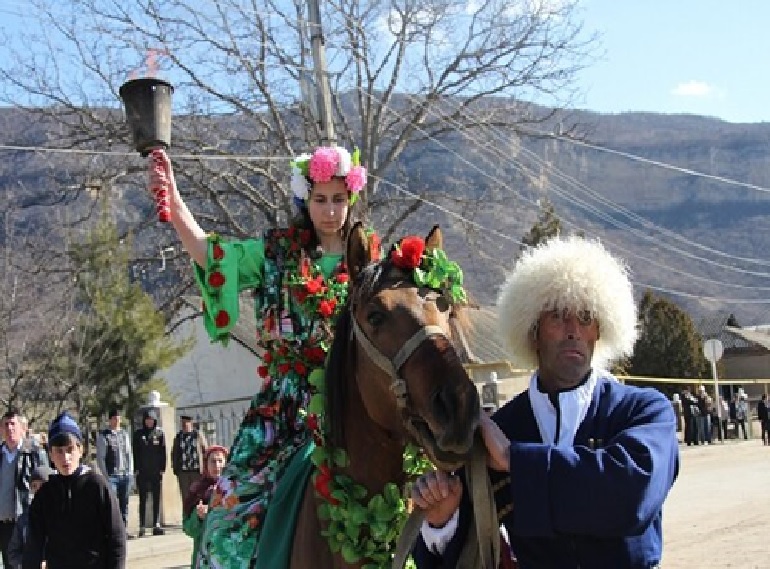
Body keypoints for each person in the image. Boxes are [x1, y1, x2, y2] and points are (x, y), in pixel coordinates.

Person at [148, 144, 373, 566]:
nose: (329, 210)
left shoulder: (371, 260)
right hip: (280, 414)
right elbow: (213, 256)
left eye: (338, 200)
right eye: (320, 199)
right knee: (221, 529)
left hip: (350, 405)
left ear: (352, 200)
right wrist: (176, 204)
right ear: (305, 200)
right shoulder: (276, 254)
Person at [411, 236, 680, 569]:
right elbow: (467, 553)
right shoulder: (502, 428)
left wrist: (515, 460)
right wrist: (443, 521)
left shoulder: (643, 411)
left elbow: (631, 497)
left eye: (585, 317)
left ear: (599, 331)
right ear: (532, 331)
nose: (573, 331)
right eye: (557, 316)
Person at [22, 411, 126, 569]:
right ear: (50, 454)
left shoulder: (97, 485)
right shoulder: (45, 495)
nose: (66, 458)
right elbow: (33, 545)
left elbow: (116, 536)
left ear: (80, 450)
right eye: (59, 451)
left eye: (70, 450)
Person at [0, 409, 49, 569]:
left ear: (23, 428)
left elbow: (46, 484)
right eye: (5, 425)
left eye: (13, 424)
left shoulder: (34, 453)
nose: (9, 429)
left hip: (24, 521)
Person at [182, 445, 229, 568]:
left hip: (228, 555)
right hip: (204, 558)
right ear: (206, 464)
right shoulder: (197, 491)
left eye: (220, 461)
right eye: (213, 461)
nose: (217, 466)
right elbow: (188, 528)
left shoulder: (235, 489)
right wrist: (198, 517)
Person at [96, 409, 134, 535]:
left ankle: (124, 529)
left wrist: (130, 471)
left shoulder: (124, 434)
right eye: (114, 419)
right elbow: (101, 457)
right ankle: (113, 530)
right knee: (112, 504)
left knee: (125, 504)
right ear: (110, 420)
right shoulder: (104, 436)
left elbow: (129, 454)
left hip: (125, 475)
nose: (117, 421)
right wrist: (106, 475)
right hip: (112, 476)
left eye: (118, 418)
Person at [7, 464, 53, 568]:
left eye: (42, 485)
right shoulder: (24, 518)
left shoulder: (62, 515)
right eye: (34, 486)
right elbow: (13, 553)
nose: (38, 490)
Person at [132, 409, 167, 537]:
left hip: (155, 471)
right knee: (143, 498)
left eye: (151, 420)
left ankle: (156, 524)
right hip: (142, 471)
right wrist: (135, 469)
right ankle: (142, 525)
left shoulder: (159, 433)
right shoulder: (138, 434)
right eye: (147, 420)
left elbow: (163, 451)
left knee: (156, 497)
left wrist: (162, 468)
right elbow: (135, 452)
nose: (149, 422)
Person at [171, 415, 207, 505]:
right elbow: (174, 453)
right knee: (186, 497)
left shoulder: (198, 435)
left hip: (197, 471)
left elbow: (205, 451)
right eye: (183, 424)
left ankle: (198, 516)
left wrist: (205, 468)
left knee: (198, 495)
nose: (184, 425)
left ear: (191, 424)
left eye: (186, 423)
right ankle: (187, 516)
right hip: (183, 472)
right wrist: (175, 468)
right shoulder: (179, 437)